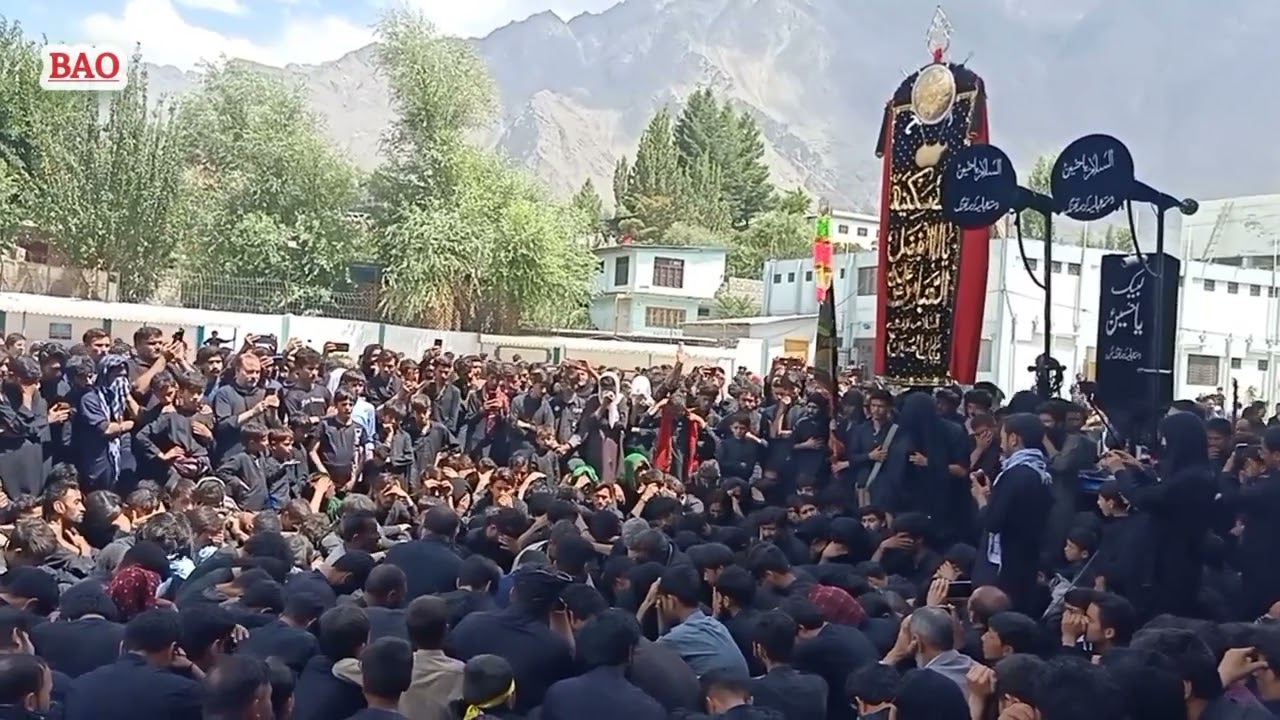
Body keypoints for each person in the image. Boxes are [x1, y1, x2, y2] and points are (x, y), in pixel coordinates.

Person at [64, 609, 203, 720]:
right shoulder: (184, 691)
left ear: (122, 646)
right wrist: (193, 668)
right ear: (173, 649)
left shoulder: (79, 684)